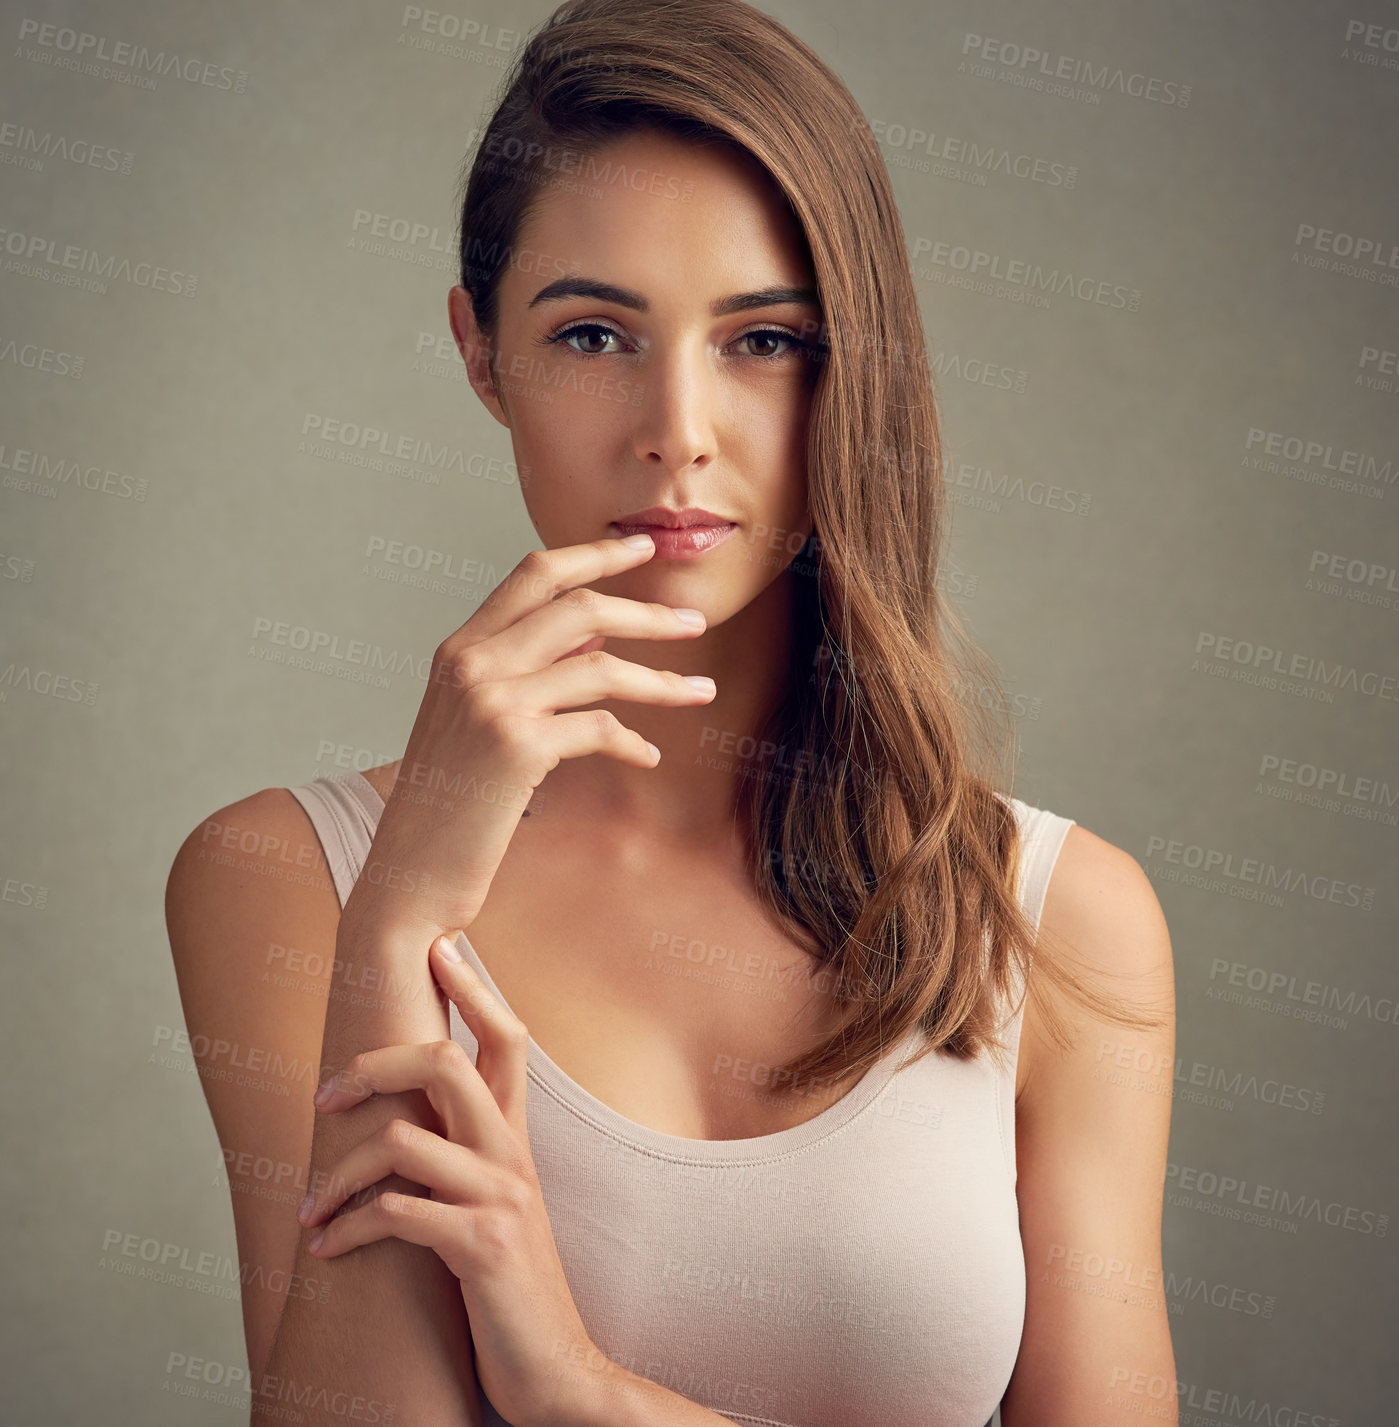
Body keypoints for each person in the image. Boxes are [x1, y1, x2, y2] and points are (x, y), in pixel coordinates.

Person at [165, 1, 1178, 1424]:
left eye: (763, 340)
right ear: (478, 353)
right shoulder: (286, 882)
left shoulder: (1061, 923)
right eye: (592, 334)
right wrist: (400, 918)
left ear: (854, 363)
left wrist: (583, 1390)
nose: (679, 428)